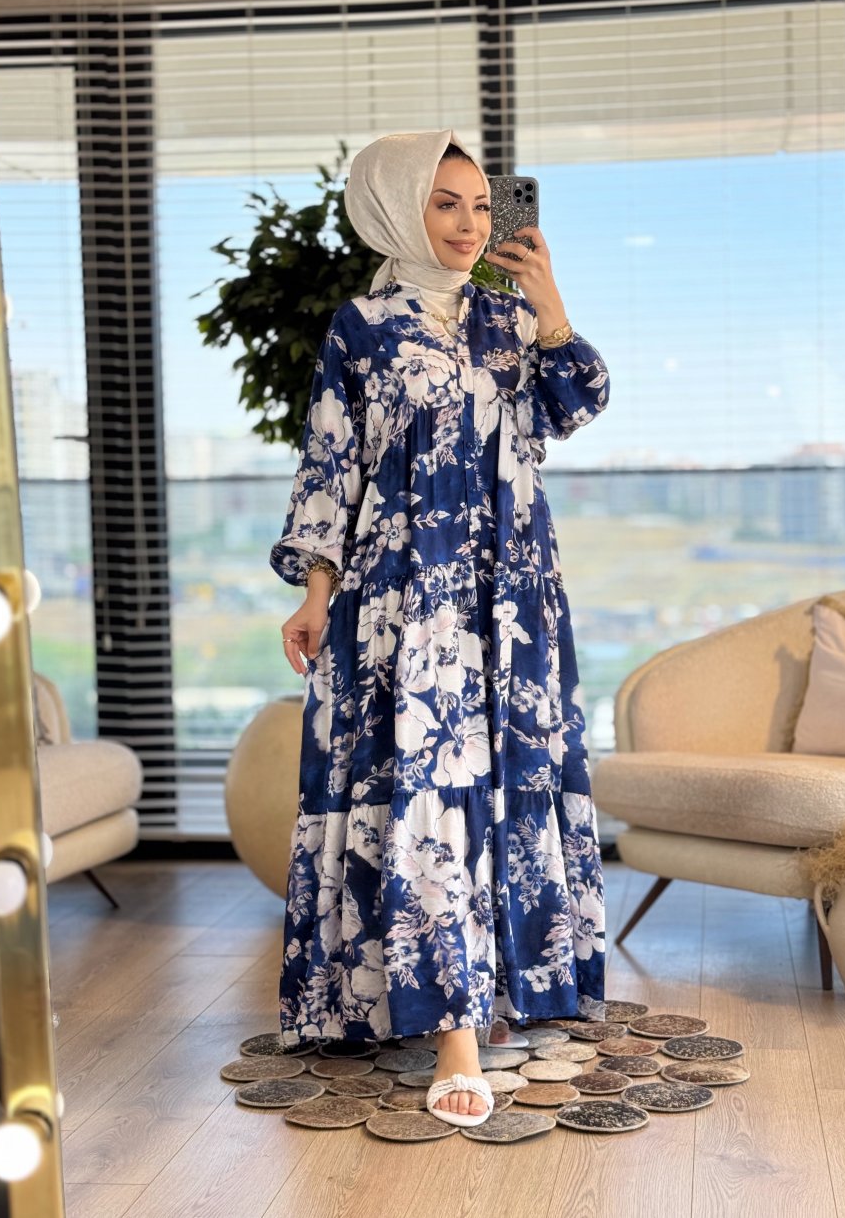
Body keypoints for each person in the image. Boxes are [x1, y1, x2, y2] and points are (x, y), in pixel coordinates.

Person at [269, 128, 610, 1128]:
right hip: (402, 597)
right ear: (395, 207)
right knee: (426, 786)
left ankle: (505, 983)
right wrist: (315, 591)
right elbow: (330, 465)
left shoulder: (511, 318)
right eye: (444, 203)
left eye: (480, 205)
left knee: (508, 783)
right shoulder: (362, 327)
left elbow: (576, 404)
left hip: (516, 596)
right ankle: (455, 1027)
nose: (469, 224)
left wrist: (551, 306)